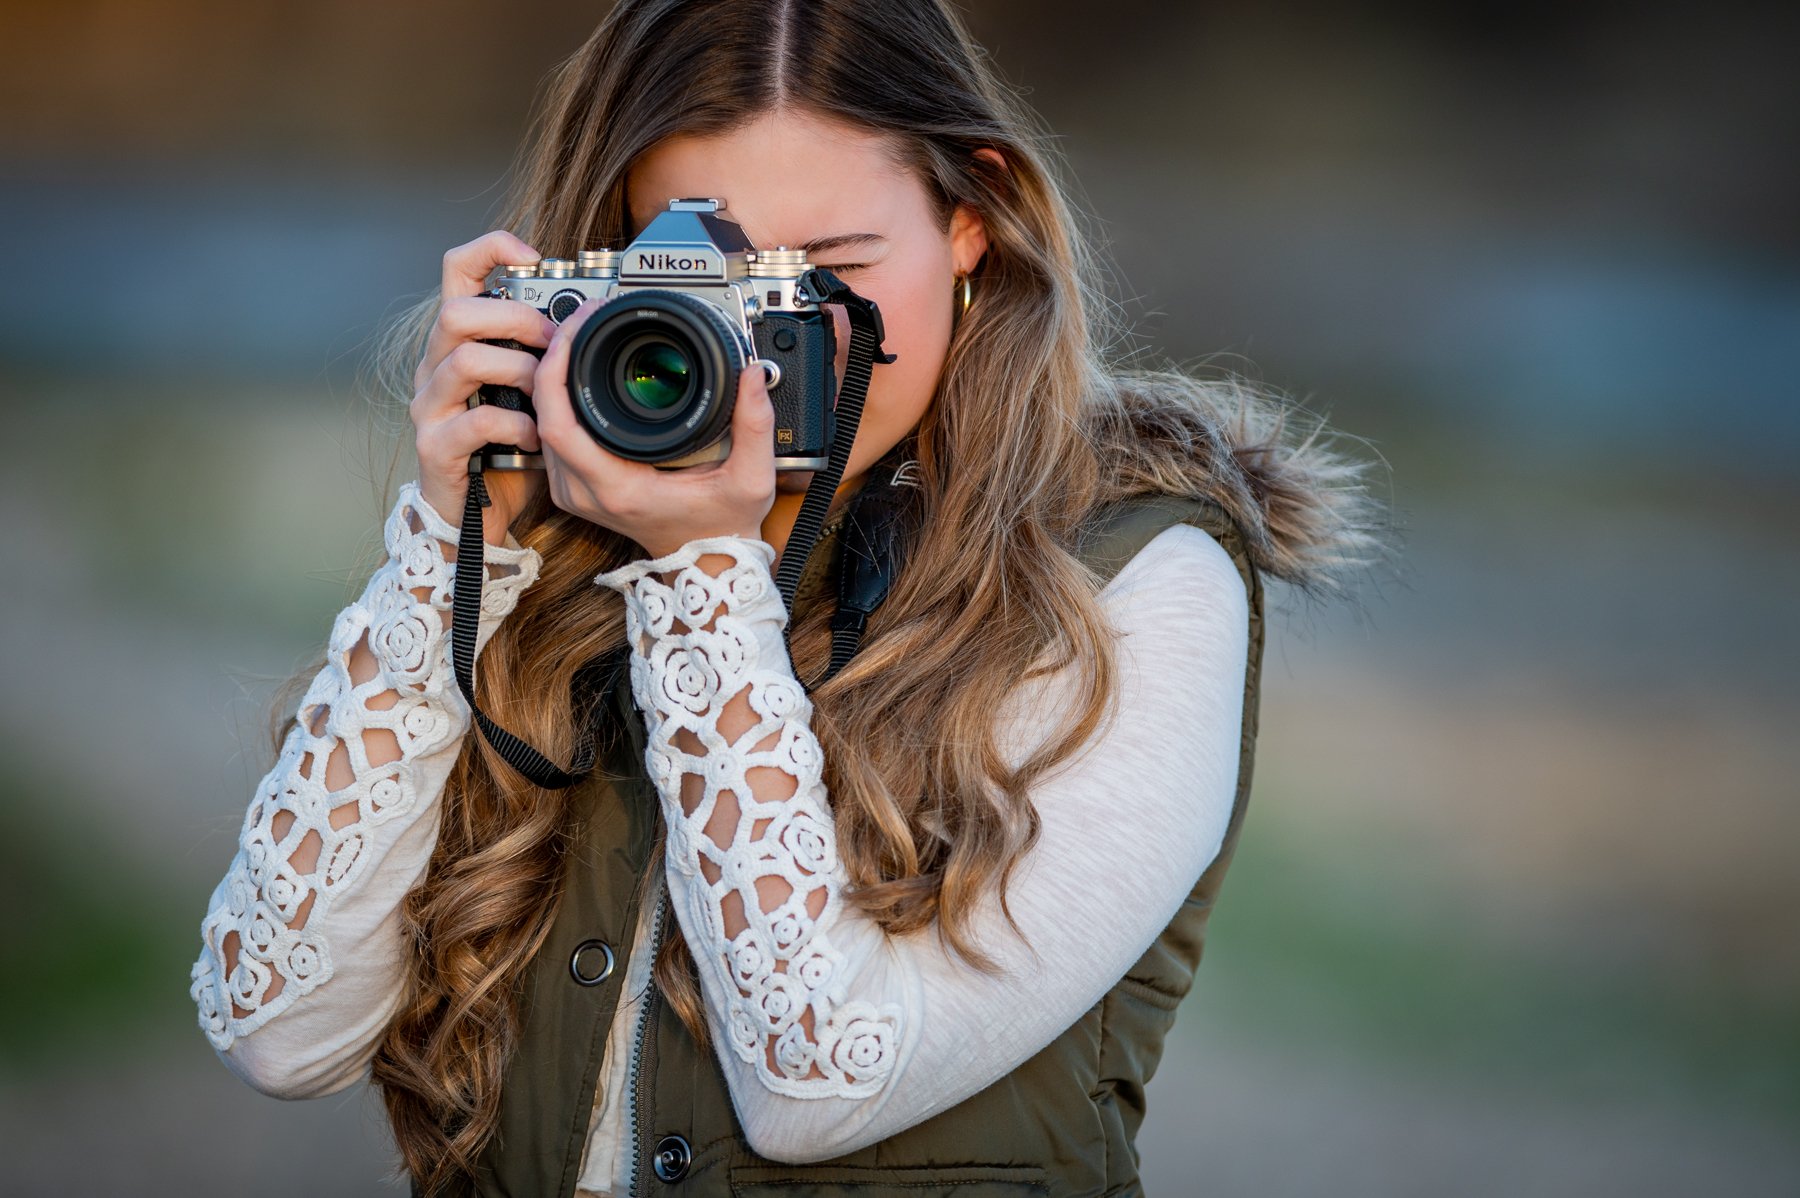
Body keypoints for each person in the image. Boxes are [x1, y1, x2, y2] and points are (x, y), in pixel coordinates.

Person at [189, 2, 1390, 1195]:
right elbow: (277, 1029)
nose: (759, 350)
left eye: (833, 270)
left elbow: (820, 1081)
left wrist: (699, 571)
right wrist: (454, 541)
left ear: (971, 219)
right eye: (704, 283)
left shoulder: (1132, 581)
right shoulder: (552, 546)